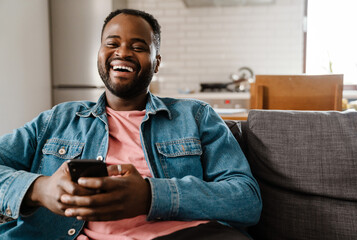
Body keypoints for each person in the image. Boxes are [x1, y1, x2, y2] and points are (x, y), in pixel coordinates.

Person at [0, 9, 262, 240]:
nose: (123, 52)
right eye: (112, 43)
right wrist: (39, 189)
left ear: (156, 62)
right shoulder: (57, 120)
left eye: (138, 47)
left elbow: (246, 199)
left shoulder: (196, 116)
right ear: (100, 54)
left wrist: (151, 196)